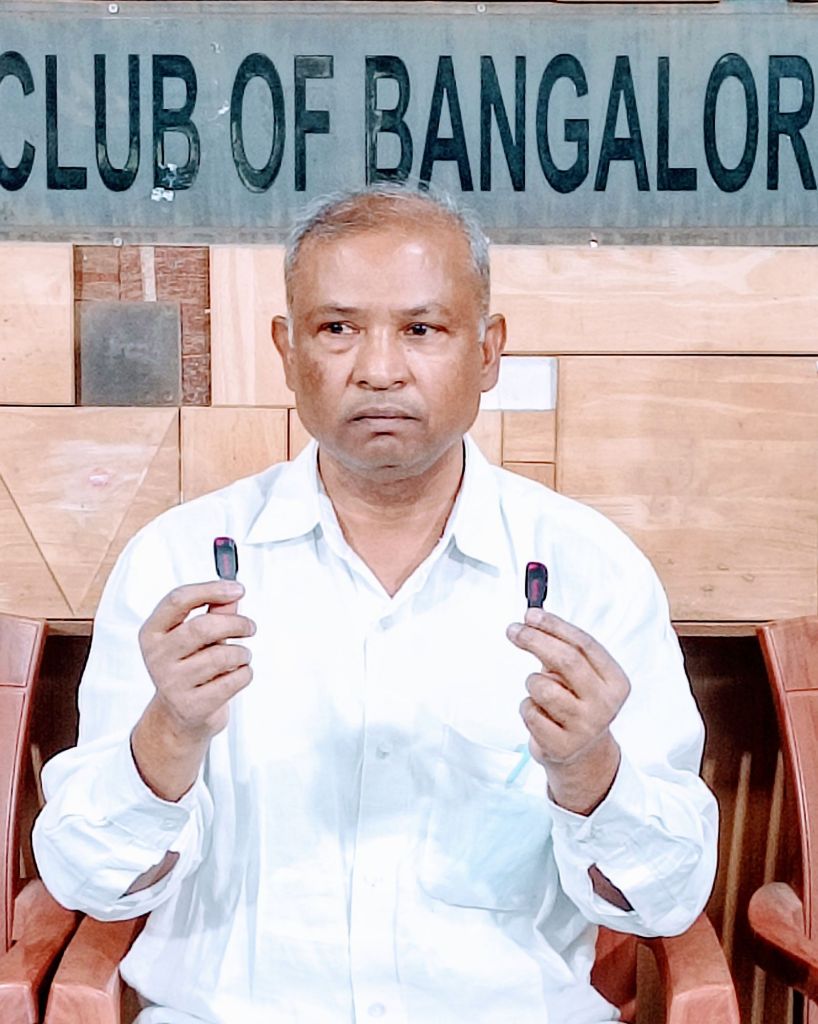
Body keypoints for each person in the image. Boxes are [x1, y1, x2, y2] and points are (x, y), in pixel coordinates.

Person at [33, 185, 718, 1024]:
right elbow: (88, 881)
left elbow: (666, 900)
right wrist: (168, 737)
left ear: (488, 352)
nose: (380, 369)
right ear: (288, 351)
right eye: (337, 328)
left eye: (421, 330)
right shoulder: (179, 566)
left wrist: (590, 772)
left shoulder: (589, 571)